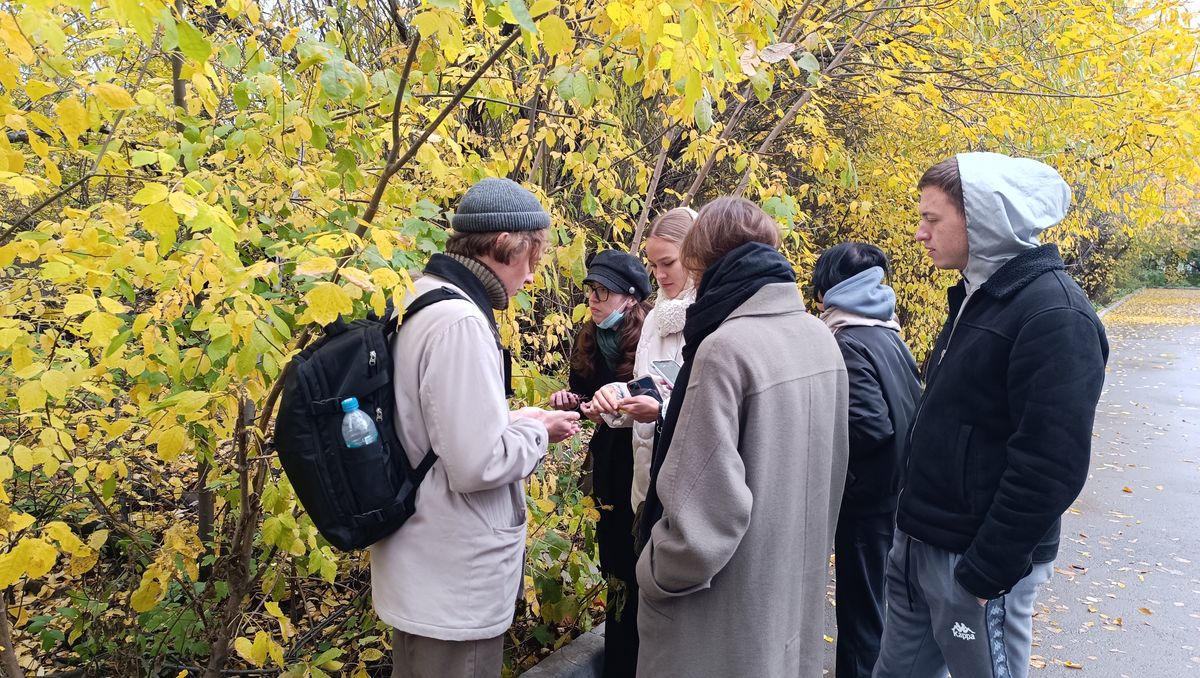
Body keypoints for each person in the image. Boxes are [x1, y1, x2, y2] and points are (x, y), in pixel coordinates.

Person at [872, 153, 1109, 678]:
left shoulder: (1054, 314)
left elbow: (1051, 463)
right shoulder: (978, 297)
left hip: (974, 564)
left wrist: (988, 571)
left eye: (932, 219)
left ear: (982, 219)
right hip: (918, 545)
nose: (919, 233)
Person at [371, 177, 581, 678]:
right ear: (505, 243)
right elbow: (476, 462)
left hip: (422, 563)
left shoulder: (420, 297)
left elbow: (427, 424)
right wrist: (538, 433)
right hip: (453, 583)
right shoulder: (460, 322)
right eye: (532, 258)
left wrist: (513, 419)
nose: (531, 276)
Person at [635, 196, 849, 678]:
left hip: (718, 615)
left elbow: (700, 518)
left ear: (700, 261)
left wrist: (651, 571)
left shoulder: (723, 349)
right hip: (787, 594)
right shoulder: (819, 339)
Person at [811, 243, 921, 678]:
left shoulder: (848, 340)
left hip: (867, 502)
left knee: (861, 616)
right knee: (880, 608)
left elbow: (869, 426)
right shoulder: (886, 331)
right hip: (893, 492)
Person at [549, 249, 652, 678]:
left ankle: (638, 654)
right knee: (612, 552)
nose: (592, 300)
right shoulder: (589, 336)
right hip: (609, 459)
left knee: (637, 552)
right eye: (590, 290)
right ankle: (619, 651)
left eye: (602, 292)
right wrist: (572, 401)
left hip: (642, 456)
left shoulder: (649, 338)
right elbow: (582, 391)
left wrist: (619, 403)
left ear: (629, 298)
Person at [589, 207, 699, 515]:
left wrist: (662, 412)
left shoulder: (712, 319)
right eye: (653, 265)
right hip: (645, 488)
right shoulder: (655, 321)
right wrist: (615, 397)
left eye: (668, 263)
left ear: (697, 255)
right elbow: (645, 388)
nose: (659, 275)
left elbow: (712, 413)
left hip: (688, 497)